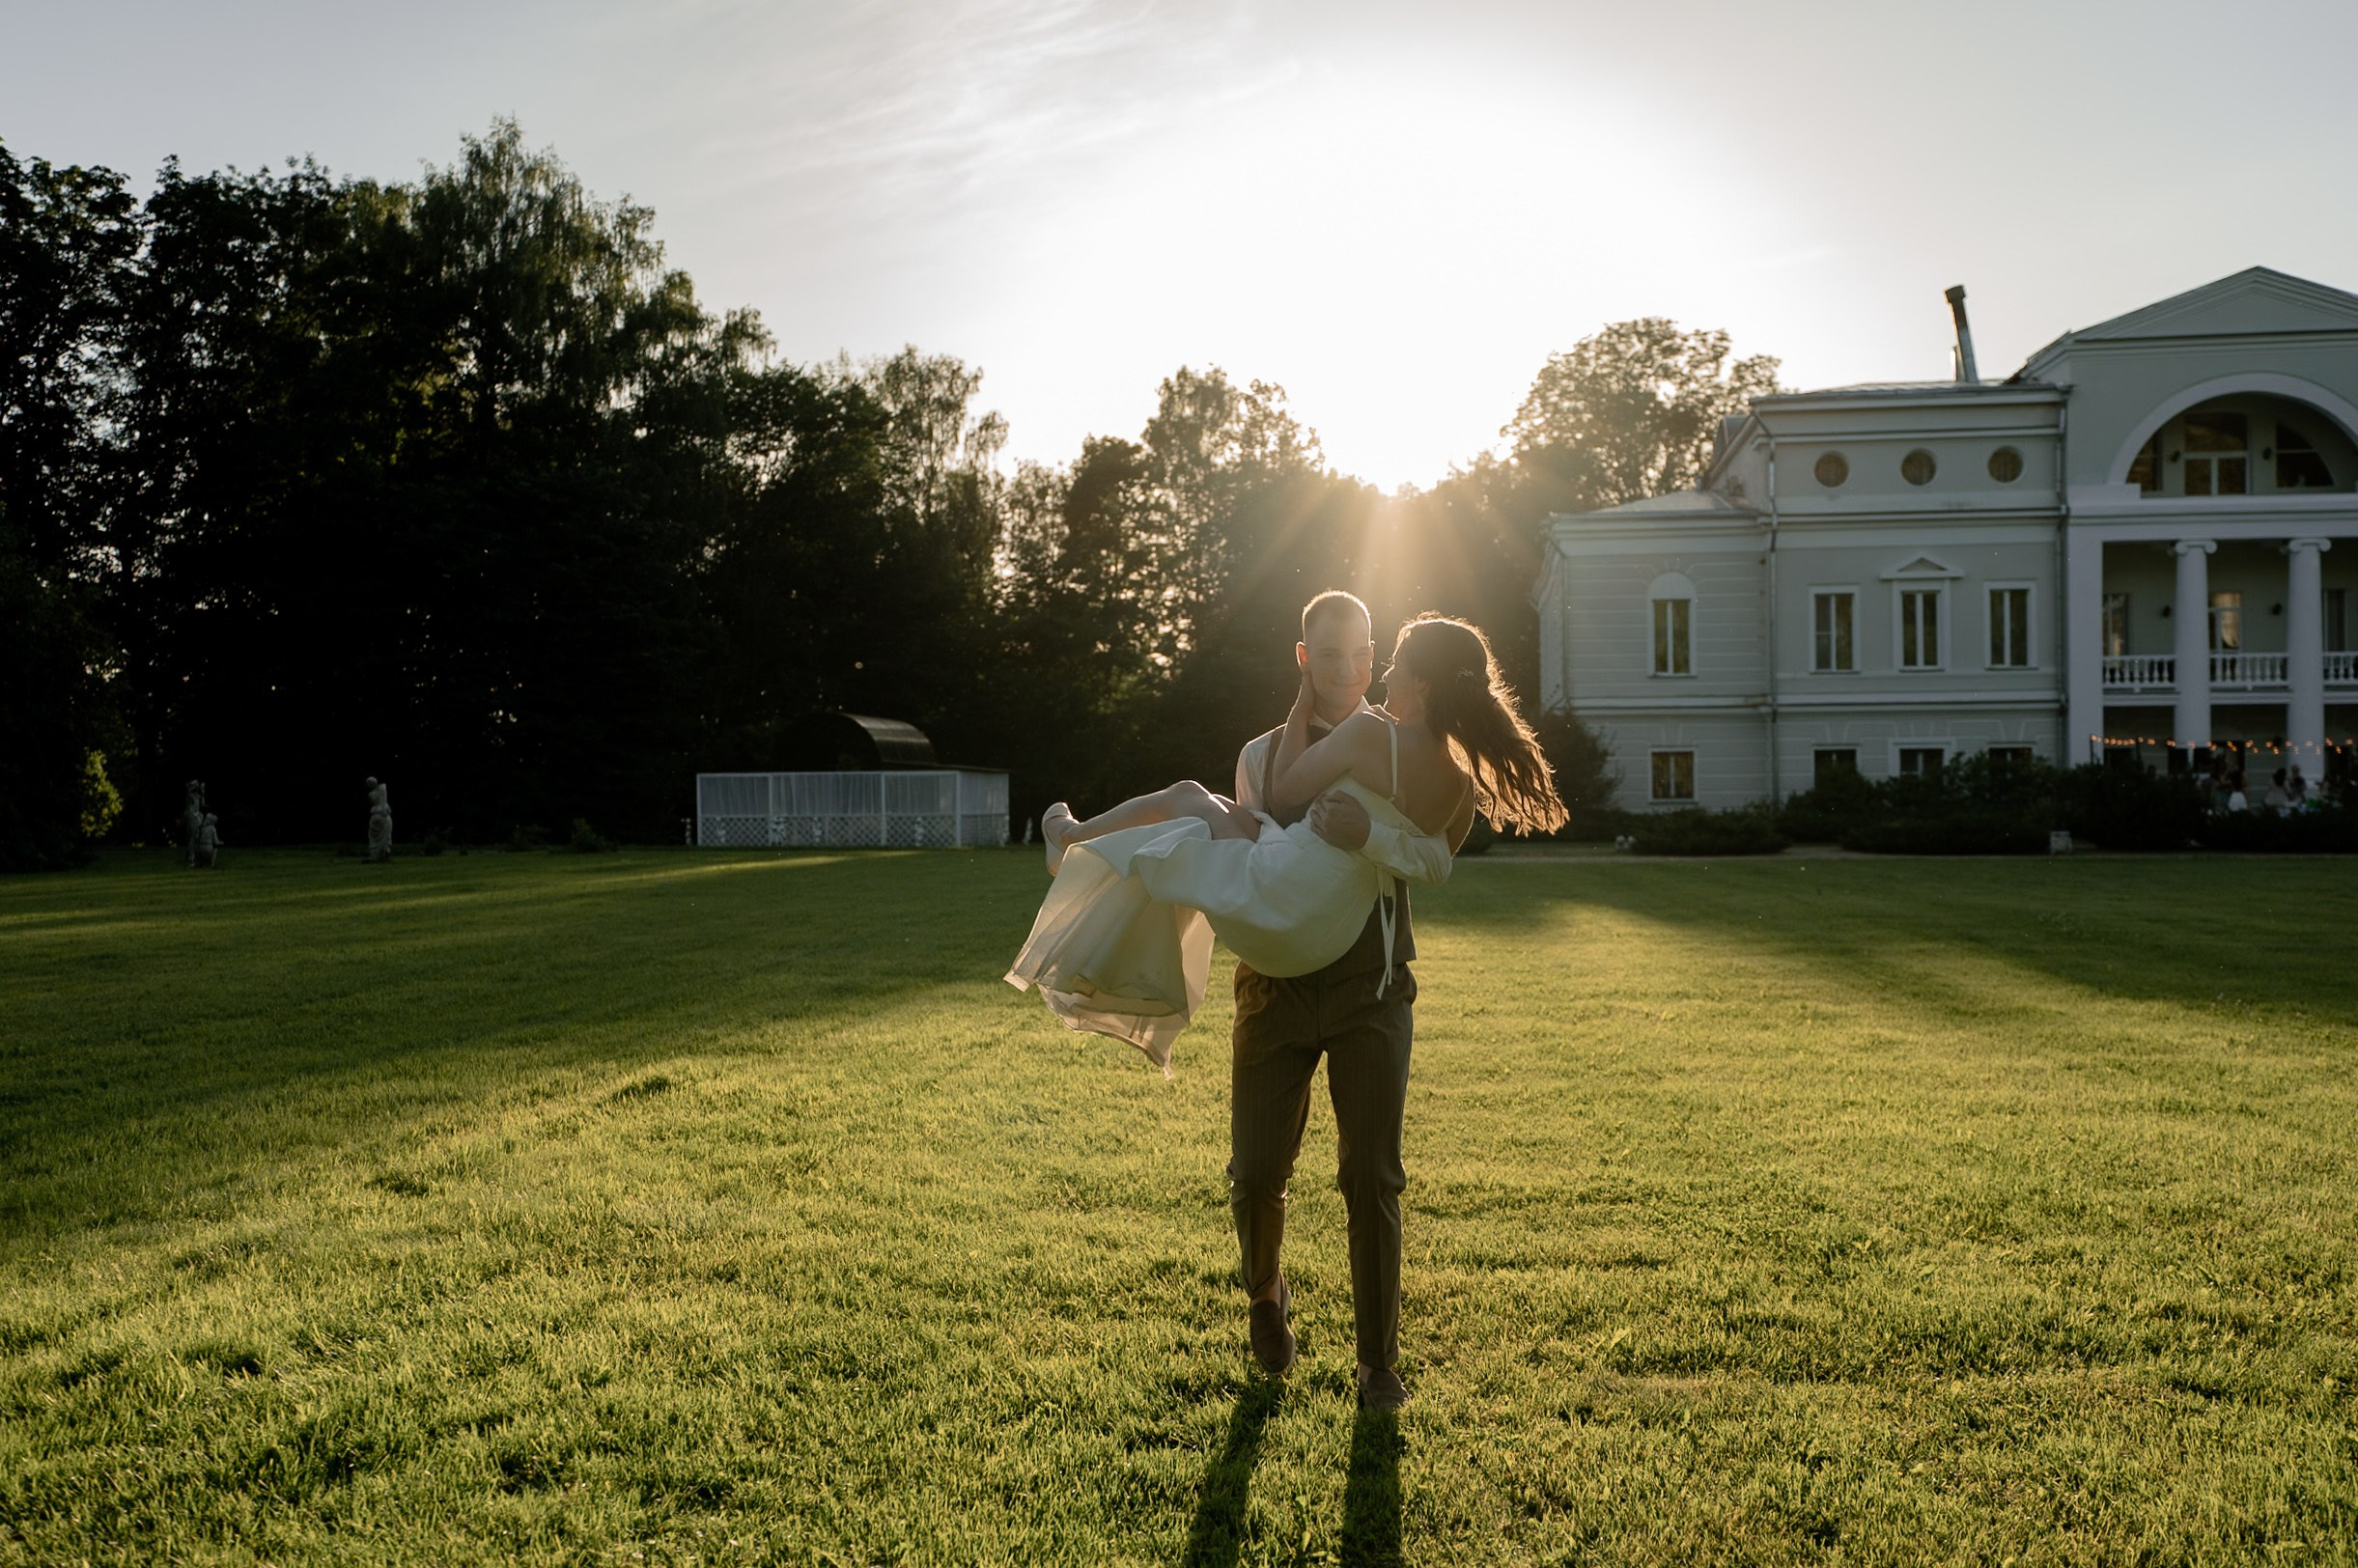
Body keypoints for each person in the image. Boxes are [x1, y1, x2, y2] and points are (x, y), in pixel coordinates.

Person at [1009, 606, 1566, 1409]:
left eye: (1369, 655)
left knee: (1371, 1176)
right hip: (1275, 986)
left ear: (1392, 667)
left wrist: (1366, 831)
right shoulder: (1261, 753)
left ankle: (1378, 1364)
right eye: (1333, 656)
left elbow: (1425, 858)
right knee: (1256, 1172)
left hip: (1371, 984)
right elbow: (1265, 818)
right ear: (1304, 658)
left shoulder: (1401, 748)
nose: (1356, 670)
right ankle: (1265, 1293)